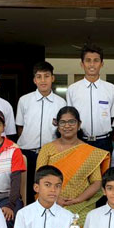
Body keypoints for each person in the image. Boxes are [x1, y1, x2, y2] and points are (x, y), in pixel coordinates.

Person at [36, 106, 110, 226]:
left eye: (71, 122)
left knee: (82, 224)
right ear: (57, 125)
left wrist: (78, 199)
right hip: (50, 200)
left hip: (82, 204)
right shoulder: (47, 149)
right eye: (62, 122)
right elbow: (39, 178)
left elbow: (96, 182)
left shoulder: (89, 152)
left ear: (79, 124)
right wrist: (55, 199)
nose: (67, 126)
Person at [16, 61, 66, 204]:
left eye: (46, 76)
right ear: (34, 80)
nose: (43, 80)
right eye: (39, 77)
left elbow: (62, 129)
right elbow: (20, 127)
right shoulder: (24, 100)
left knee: (48, 188)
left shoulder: (61, 103)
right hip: (27, 152)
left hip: (50, 154)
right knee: (27, 189)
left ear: (52, 78)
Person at [66, 43, 114, 151]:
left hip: (104, 142)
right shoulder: (72, 89)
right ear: (82, 64)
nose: (92, 64)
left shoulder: (111, 89)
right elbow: (70, 118)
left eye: (96, 60)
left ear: (102, 64)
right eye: (88, 60)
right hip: (79, 141)